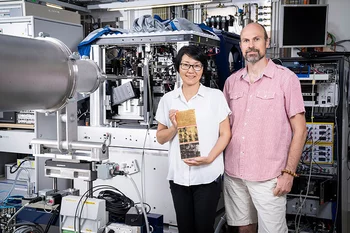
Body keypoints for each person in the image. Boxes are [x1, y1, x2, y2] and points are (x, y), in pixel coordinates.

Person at [223, 23, 308, 233]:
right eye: (245, 40)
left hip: (269, 176)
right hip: (234, 173)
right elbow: (223, 127)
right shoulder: (231, 82)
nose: (251, 45)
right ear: (240, 45)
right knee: (244, 228)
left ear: (267, 42)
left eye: (256, 39)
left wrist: (289, 173)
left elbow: (300, 130)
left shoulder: (286, 79)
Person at [155, 45, 231, 233]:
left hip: (207, 176)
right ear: (178, 68)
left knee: (204, 228)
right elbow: (160, 138)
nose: (191, 71)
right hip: (178, 177)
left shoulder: (215, 97)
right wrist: (175, 126)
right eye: (186, 65)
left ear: (203, 69)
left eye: (196, 66)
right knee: (185, 229)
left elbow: (226, 134)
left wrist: (210, 158)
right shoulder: (168, 99)